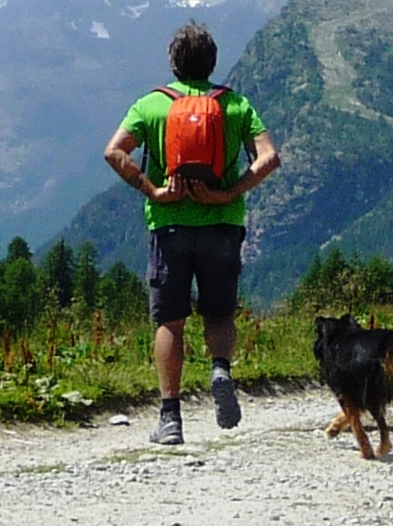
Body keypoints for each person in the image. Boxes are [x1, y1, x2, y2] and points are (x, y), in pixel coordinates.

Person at [102, 22, 280, 445]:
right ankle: (220, 369)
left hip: (170, 226)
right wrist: (229, 193)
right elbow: (269, 158)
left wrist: (154, 190)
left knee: (170, 320)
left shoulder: (151, 105)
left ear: (174, 62)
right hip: (222, 224)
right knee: (219, 313)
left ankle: (170, 418)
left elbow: (114, 152)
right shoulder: (235, 105)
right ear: (213, 62)